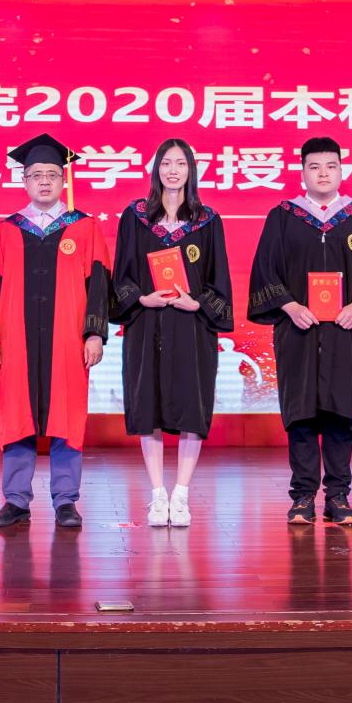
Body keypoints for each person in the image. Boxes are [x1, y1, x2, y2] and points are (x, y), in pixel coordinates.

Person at [247, 136, 352, 527]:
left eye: (330, 166)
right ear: (303, 172)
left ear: (342, 170)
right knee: (301, 414)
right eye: (314, 167)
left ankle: (338, 496)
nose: (323, 173)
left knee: (341, 412)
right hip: (297, 329)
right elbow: (265, 270)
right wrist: (289, 306)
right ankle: (303, 497)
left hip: (347, 328)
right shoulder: (283, 217)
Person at [0, 133, 111, 529]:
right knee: (17, 415)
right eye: (36, 175)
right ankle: (15, 500)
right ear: (24, 181)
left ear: (64, 180)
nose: (44, 181)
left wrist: (94, 333)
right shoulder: (5, 230)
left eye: (52, 174)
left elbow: (99, 284)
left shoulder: (85, 228)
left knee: (67, 415)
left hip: (68, 339)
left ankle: (66, 501)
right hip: (15, 340)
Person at [111, 138, 233, 527]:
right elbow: (121, 274)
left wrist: (197, 303)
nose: (173, 170)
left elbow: (219, 280)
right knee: (148, 406)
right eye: (166, 163)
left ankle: (181, 494)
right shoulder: (135, 217)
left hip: (192, 327)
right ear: (156, 169)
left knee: (191, 408)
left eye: (181, 163)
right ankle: (157, 495)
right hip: (147, 324)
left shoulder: (207, 221)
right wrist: (140, 299)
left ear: (191, 170)